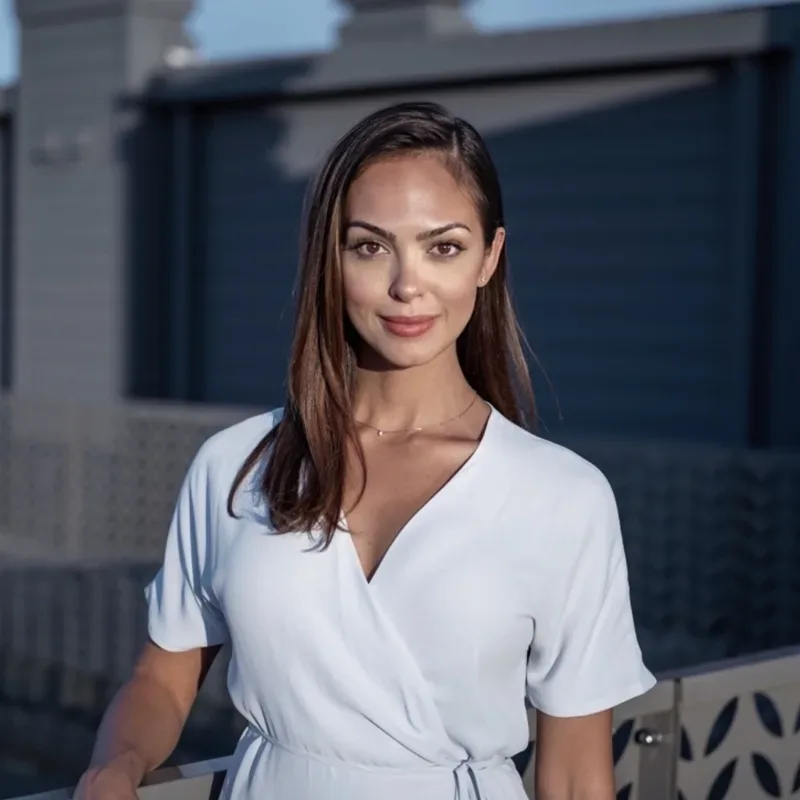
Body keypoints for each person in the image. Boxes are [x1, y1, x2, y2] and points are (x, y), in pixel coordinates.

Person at [75, 101, 655, 800]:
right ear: (331, 258)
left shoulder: (563, 497)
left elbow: (575, 778)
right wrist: (113, 768)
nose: (407, 286)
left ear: (489, 258)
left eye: (443, 247)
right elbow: (163, 678)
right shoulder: (235, 468)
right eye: (371, 247)